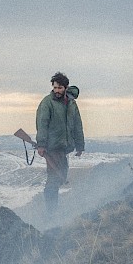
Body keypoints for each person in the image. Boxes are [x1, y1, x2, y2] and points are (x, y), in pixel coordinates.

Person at [35, 72, 85, 214]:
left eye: (60, 88)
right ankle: (51, 212)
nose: (57, 90)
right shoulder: (47, 103)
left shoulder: (71, 103)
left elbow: (77, 125)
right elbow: (42, 124)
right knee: (53, 179)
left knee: (61, 176)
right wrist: (42, 145)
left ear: (66, 87)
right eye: (55, 87)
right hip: (52, 148)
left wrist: (80, 145)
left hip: (64, 149)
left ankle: (53, 209)